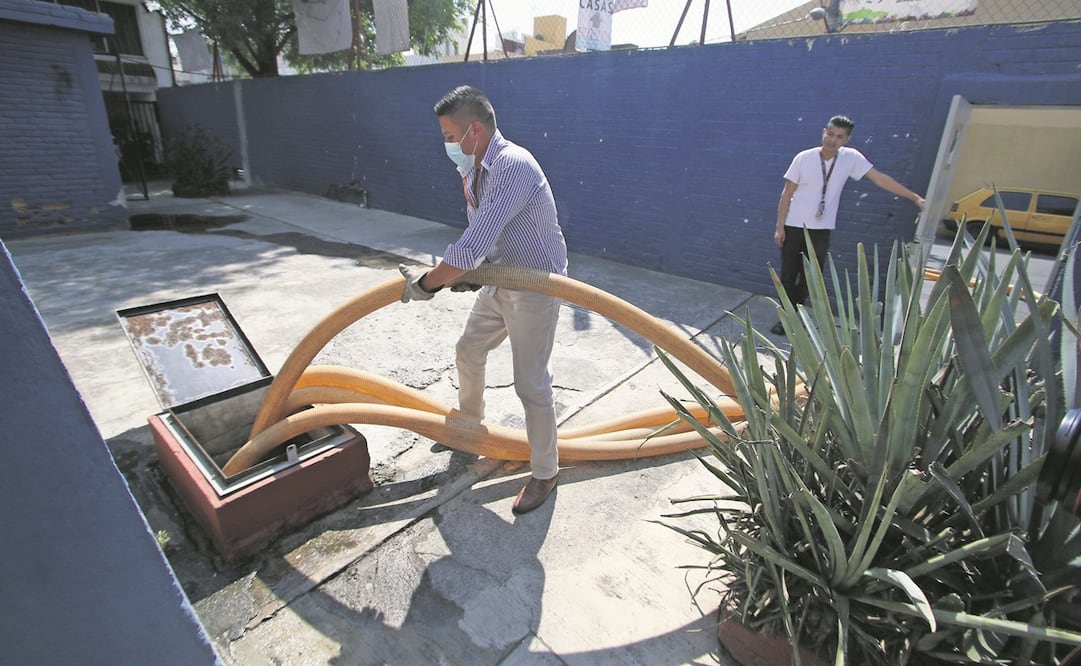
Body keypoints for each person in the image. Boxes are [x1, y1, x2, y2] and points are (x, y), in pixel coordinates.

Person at [398, 85, 568, 514]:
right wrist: (472, 276)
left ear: (475, 130)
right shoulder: (474, 169)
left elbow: (472, 243)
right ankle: (468, 428)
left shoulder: (512, 165)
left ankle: (546, 471)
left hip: (534, 289)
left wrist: (427, 284)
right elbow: (486, 242)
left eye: (450, 136)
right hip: (499, 282)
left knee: (531, 383)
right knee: (468, 351)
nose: (447, 145)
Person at [771, 115, 925, 335]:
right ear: (824, 132)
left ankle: (797, 314)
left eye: (839, 137)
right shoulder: (804, 158)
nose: (832, 140)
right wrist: (780, 227)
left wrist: (914, 197)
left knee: (811, 278)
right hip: (794, 225)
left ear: (846, 139)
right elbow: (787, 194)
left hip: (821, 230)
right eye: (830, 134)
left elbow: (879, 178)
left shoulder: (850, 158)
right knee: (788, 274)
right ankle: (786, 319)